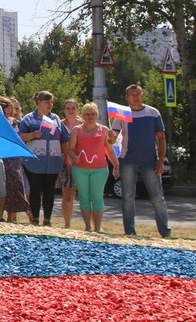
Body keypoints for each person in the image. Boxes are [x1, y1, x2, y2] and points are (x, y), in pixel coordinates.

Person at [112, 83, 171, 237]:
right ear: (127, 97)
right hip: (127, 161)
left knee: (157, 197)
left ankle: (165, 231)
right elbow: (114, 136)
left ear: (142, 95)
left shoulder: (153, 113)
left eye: (138, 94)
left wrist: (161, 162)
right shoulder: (122, 113)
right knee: (128, 198)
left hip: (149, 161)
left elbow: (161, 138)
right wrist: (110, 138)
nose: (136, 97)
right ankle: (129, 231)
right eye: (133, 94)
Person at [18, 91, 69, 226]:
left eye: (51, 102)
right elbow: (20, 136)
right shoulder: (28, 119)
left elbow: (64, 139)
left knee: (49, 190)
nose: (50, 105)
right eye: (47, 102)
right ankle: (35, 219)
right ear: (39, 102)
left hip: (52, 161)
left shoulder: (56, 119)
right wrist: (33, 135)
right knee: (35, 189)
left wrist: (67, 157)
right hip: (34, 161)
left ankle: (47, 220)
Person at [68, 102, 120, 233]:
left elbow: (110, 151)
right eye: (87, 114)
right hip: (80, 169)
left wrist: (117, 166)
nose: (90, 116)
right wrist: (74, 157)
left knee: (97, 197)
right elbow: (71, 149)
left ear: (97, 115)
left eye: (93, 114)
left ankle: (97, 227)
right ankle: (87, 226)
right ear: (83, 116)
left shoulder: (104, 130)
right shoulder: (76, 130)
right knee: (84, 197)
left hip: (100, 169)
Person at [0, 97, 33, 223]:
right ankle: (8, 216)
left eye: (9, 107)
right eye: (4, 107)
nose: (7, 109)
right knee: (5, 187)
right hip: (2, 157)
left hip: (14, 157)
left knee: (18, 184)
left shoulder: (15, 122)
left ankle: (28, 212)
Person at [58, 99, 83, 229]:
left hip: (81, 162)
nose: (71, 110)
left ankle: (89, 224)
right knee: (67, 194)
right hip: (65, 162)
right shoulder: (59, 125)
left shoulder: (84, 124)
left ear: (77, 109)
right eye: (68, 108)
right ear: (64, 110)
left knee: (83, 194)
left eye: (73, 108)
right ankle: (67, 224)